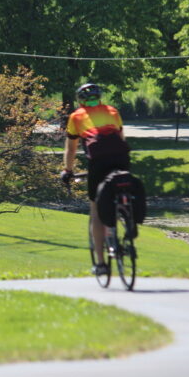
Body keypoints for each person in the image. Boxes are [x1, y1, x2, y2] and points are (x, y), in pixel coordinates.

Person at [60, 83, 130, 276]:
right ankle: (125, 212)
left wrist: (67, 170)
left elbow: (71, 148)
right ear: (100, 97)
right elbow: (121, 138)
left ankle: (100, 264)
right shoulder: (113, 112)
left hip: (98, 163)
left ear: (80, 100)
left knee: (96, 211)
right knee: (120, 188)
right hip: (122, 159)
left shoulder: (77, 116)